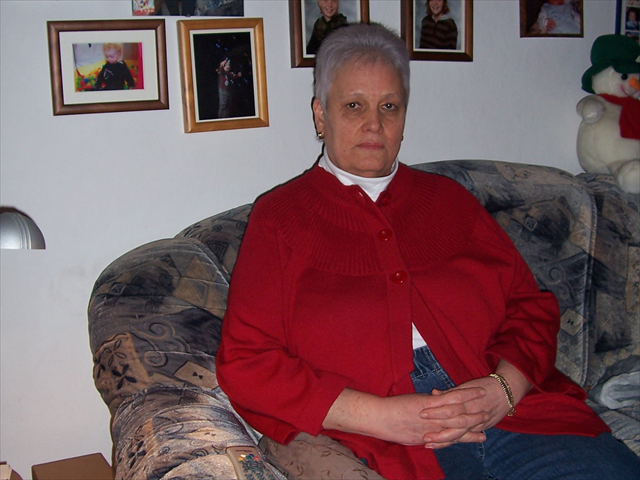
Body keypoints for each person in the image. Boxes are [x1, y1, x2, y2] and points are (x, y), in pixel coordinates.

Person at [216, 23, 640, 480]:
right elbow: (246, 363)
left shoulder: (449, 201)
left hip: (509, 415)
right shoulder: (279, 219)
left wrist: (504, 389)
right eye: (354, 105)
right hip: (383, 441)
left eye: (389, 106)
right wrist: (379, 417)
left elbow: (530, 308)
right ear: (321, 115)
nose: (374, 124)